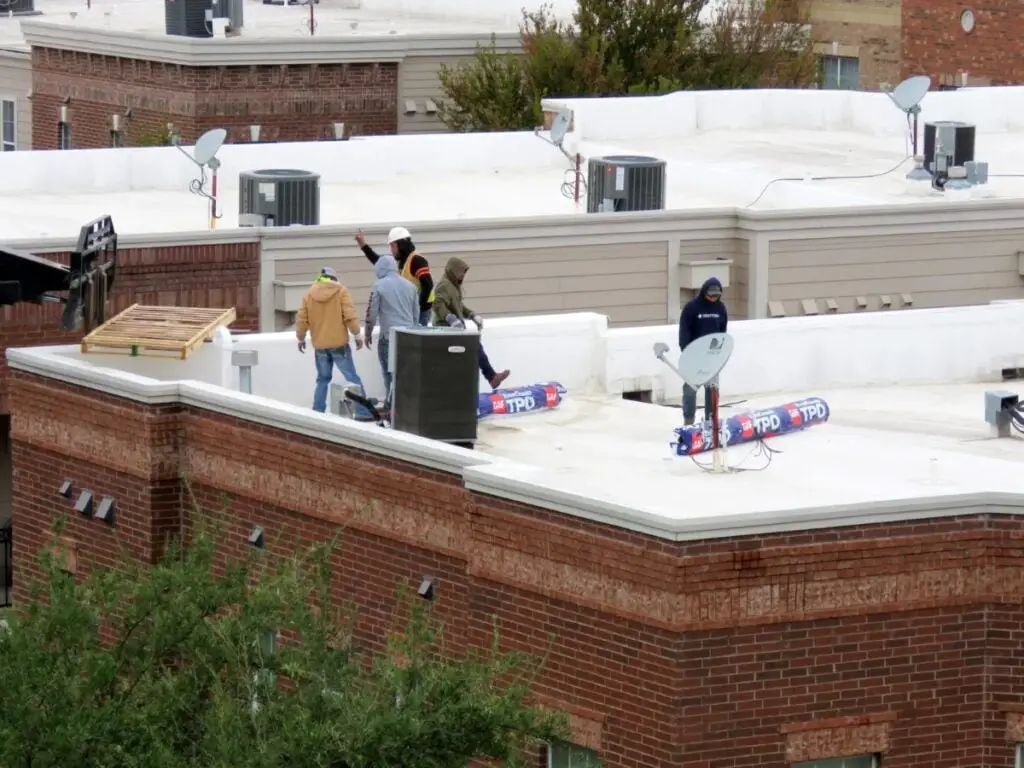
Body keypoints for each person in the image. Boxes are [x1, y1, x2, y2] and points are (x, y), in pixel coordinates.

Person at [295, 266, 374, 420]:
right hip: (339, 344)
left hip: (320, 345)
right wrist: (357, 335)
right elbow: (349, 315)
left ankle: (317, 411)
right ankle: (364, 411)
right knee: (352, 377)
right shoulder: (340, 291)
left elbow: (302, 319)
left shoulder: (309, 294)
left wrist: (301, 337)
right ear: (334, 278)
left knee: (322, 379)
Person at [432, 257, 510, 390]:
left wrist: (472, 315)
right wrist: (451, 318)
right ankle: (490, 377)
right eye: (461, 272)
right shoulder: (444, 285)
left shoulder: (453, 287)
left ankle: (490, 378)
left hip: (455, 330)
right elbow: (438, 304)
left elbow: (459, 306)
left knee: (474, 348)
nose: (463, 275)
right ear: (453, 271)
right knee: (474, 346)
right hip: (445, 329)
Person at [364, 254, 418, 407]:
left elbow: (372, 313)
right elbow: (416, 314)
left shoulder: (379, 285)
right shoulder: (411, 286)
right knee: (405, 375)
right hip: (408, 337)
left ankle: (392, 408)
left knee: (389, 374)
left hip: (388, 338)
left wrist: (368, 333)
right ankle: (407, 408)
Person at [355, 226, 434, 326]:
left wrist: (417, 311)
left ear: (401, 245)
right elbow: (381, 263)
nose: (391, 250)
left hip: (420, 313)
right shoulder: (403, 262)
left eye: (392, 246)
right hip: (410, 311)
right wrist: (363, 245)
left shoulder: (417, 260)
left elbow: (428, 286)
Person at [678, 276, 728, 426]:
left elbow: (722, 332)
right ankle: (688, 422)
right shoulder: (692, 308)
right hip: (694, 357)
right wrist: (687, 353)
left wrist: (719, 354)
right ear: (704, 292)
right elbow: (684, 332)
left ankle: (710, 422)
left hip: (712, 358)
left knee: (712, 390)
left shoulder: (721, 309)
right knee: (690, 390)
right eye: (710, 295)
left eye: (716, 296)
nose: (713, 298)